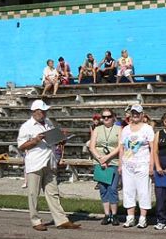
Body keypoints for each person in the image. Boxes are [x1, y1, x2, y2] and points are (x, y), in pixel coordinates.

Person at [17, 99, 81, 231]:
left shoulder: (48, 123)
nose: (45, 113)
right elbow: (22, 146)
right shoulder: (26, 127)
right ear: (35, 112)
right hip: (35, 163)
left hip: (49, 161)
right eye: (43, 111)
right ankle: (35, 221)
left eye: (45, 111)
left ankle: (61, 220)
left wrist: (61, 140)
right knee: (33, 194)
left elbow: (53, 139)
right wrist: (35, 140)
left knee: (53, 192)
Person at [119, 104, 154, 228]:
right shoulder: (126, 129)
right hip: (128, 164)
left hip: (142, 163)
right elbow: (122, 148)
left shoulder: (147, 128)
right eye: (133, 113)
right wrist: (120, 164)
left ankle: (143, 218)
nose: (135, 115)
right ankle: (130, 217)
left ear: (142, 114)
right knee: (128, 191)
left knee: (143, 191)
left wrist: (152, 165)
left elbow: (153, 148)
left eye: (137, 113)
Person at [89, 109, 121, 226]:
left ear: (113, 117)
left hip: (113, 161)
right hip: (99, 162)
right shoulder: (97, 129)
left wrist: (107, 157)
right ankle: (107, 214)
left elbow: (119, 146)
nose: (106, 119)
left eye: (109, 116)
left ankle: (115, 214)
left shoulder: (119, 129)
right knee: (103, 189)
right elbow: (92, 146)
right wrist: (100, 158)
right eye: (104, 117)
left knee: (112, 189)